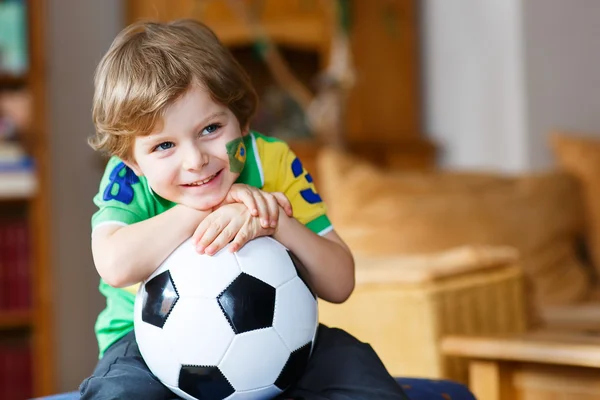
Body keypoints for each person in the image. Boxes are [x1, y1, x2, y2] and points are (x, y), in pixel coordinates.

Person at [80, 19, 408, 400]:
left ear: (243, 121)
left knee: (363, 377)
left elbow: (340, 282)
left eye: (210, 130)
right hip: (147, 342)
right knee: (120, 394)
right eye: (164, 146)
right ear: (133, 161)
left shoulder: (271, 159)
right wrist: (208, 208)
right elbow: (115, 265)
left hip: (282, 339)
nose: (195, 160)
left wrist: (273, 221)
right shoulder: (127, 176)